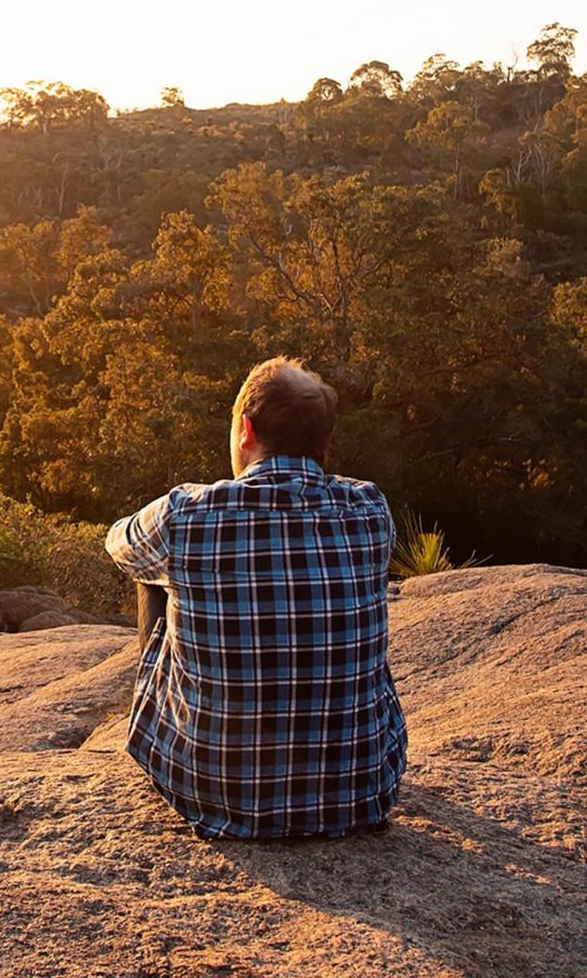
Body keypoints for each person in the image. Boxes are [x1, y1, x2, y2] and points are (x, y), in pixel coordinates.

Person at [104, 356, 405, 839]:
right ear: (321, 439)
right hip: (359, 794)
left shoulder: (187, 514)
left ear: (246, 429)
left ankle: (182, 734)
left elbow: (118, 543)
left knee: (152, 572)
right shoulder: (370, 509)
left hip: (215, 791)